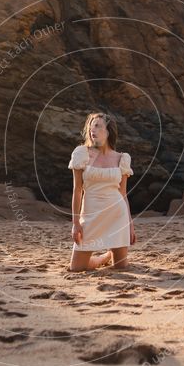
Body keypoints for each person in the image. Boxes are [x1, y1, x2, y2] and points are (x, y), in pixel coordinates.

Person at [67, 111, 135, 272]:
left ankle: (111, 254)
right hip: (91, 213)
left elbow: (123, 193)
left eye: (97, 126)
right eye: (91, 126)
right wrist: (76, 224)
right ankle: (104, 257)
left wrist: (130, 224)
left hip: (117, 215)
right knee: (77, 268)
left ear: (108, 131)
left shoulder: (122, 158)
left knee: (120, 267)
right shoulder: (81, 153)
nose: (93, 130)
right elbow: (77, 190)